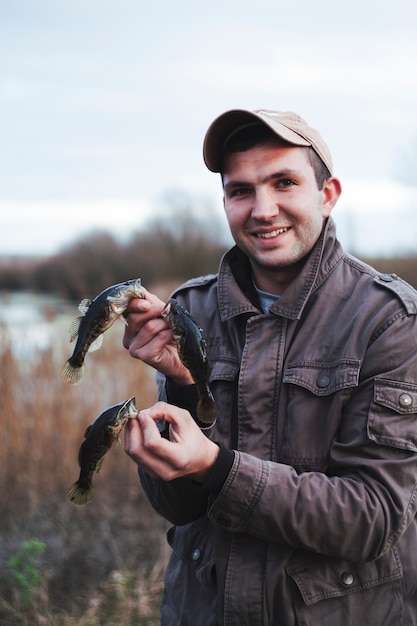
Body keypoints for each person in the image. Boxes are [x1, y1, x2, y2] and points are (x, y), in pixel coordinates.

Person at [122, 108, 417, 625]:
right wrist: (186, 391)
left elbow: (373, 519)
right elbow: (177, 508)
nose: (263, 209)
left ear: (327, 196)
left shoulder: (389, 321)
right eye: (241, 191)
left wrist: (215, 468)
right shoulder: (189, 311)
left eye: (284, 182)